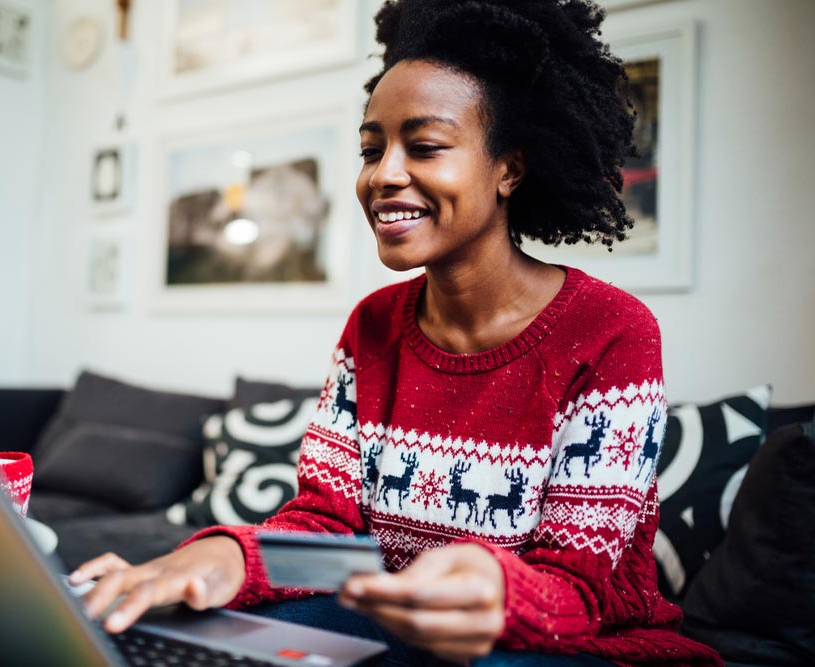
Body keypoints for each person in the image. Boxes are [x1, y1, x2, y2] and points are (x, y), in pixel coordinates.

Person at [70, 1, 722, 665]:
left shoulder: (611, 331)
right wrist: (219, 559)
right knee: (194, 633)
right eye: (371, 149)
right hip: (397, 623)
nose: (383, 174)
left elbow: (577, 588)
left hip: (580, 645)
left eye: (427, 146)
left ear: (510, 168)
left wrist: (491, 587)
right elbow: (324, 528)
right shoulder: (372, 325)